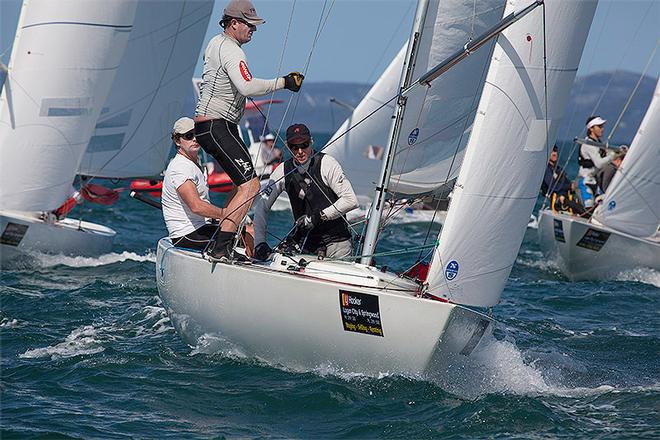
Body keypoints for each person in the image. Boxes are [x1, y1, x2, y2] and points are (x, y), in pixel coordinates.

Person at [194, 0, 304, 260]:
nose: (254, 30)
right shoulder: (231, 50)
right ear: (233, 24)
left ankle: (219, 241)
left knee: (241, 185)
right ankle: (221, 248)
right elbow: (246, 86)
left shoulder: (215, 44)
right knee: (252, 186)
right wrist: (285, 82)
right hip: (216, 125)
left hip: (219, 126)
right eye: (249, 25)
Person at [253, 124, 359, 260]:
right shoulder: (282, 170)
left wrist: (319, 216)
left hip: (337, 242)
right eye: (294, 147)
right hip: (306, 244)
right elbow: (262, 207)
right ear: (287, 146)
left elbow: (351, 200)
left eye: (304, 145)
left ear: (311, 142)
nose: (300, 151)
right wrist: (259, 243)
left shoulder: (327, 164)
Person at [162, 117, 227, 251]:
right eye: (188, 136)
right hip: (186, 235)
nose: (195, 139)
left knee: (245, 230)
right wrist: (226, 215)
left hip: (200, 228)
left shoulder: (194, 164)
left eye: (197, 134)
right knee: (240, 236)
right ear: (177, 140)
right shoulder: (181, 167)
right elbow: (196, 206)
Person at [577, 116, 615, 208]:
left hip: (595, 182)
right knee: (589, 208)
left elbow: (607, 155)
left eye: (602, 126)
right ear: (591, 128)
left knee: (601, 207)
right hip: (586, 181)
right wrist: (612, 156)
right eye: (599, 126)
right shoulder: (588, 144)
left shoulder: (599, 143)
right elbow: (599, 163)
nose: (602, 129)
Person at [542, 145, 584, 215]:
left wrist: (573, 185)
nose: (554, 154)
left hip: (567, 199)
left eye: (555, 151)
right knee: (581, 210)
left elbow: (567, 183)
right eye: (551, 152)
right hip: (558, 202)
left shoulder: (558, 169)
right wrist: (570, 186)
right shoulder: (547, 170)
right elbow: (554, 187)